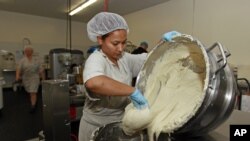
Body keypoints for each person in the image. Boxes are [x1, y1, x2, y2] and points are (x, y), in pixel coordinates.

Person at [78, 12, 181, 141]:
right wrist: (132, 91)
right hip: (96, 127)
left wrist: (162, 44)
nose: (120, 48)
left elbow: (148, 61)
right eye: (115, 43)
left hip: (122, 123)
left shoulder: (123, 58)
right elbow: (94, 83)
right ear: (100, 39)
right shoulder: (96, 59)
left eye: (124, 43)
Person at [16, 45, 45, 113]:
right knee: (30, 91)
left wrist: (43, 79)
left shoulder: (37, 59)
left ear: (32, 52)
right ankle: (34, 101)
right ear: (25, 52)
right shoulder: (22, 60)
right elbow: (18, 69)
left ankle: (33, 106)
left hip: (35, 77)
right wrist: (17, 76)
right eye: (26, 51)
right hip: (26, 78)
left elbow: (41, 70)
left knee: (32, 92)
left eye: (29, 51)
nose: (28, 52)